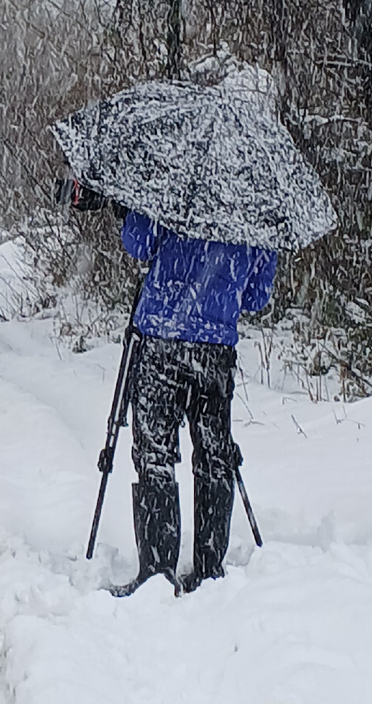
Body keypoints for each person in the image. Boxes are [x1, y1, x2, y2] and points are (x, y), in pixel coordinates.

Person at [111, 209, 277, 596]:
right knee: (215, 454)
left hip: (161, 338)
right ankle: (208, 568)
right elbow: (256, 296)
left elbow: (139, 244)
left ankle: (156, 571)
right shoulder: (257, 202)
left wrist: (135, 212)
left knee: (155, 453)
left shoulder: (170, 185)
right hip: (216, 349)